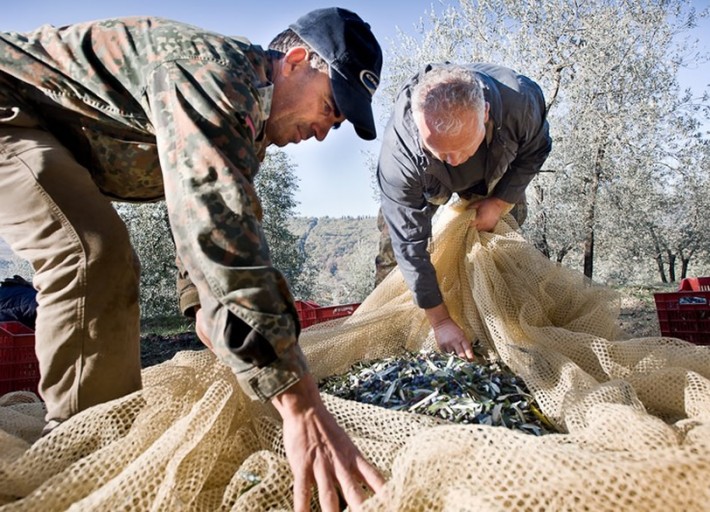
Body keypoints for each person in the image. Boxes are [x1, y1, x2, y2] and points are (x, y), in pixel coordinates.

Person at [0, 8, 384, 511]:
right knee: (92, 256)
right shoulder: (215, 76)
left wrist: (201, 307)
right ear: (295, 62)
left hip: (46, 130)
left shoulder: (245, 129)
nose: (328, 128)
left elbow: (196, 221)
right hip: (11, 108)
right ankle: (83, 464)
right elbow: (220, 235)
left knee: (107, 256)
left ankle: (98, 451)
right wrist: (299, 404)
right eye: (333, 105)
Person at [376, 63, 552, 360]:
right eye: (441, 151)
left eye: (462, 148)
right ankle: (392, 340)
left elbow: (537, 150)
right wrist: (440, 321)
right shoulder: (400, 157)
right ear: (419, 127)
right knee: (392, 254)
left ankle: (507, 331)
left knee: (504, 235)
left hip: (493, 170)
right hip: (426, 181)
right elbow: (408, 244)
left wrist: (499, 203)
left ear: (485, 113)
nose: (454, 160)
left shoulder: (521, 102)